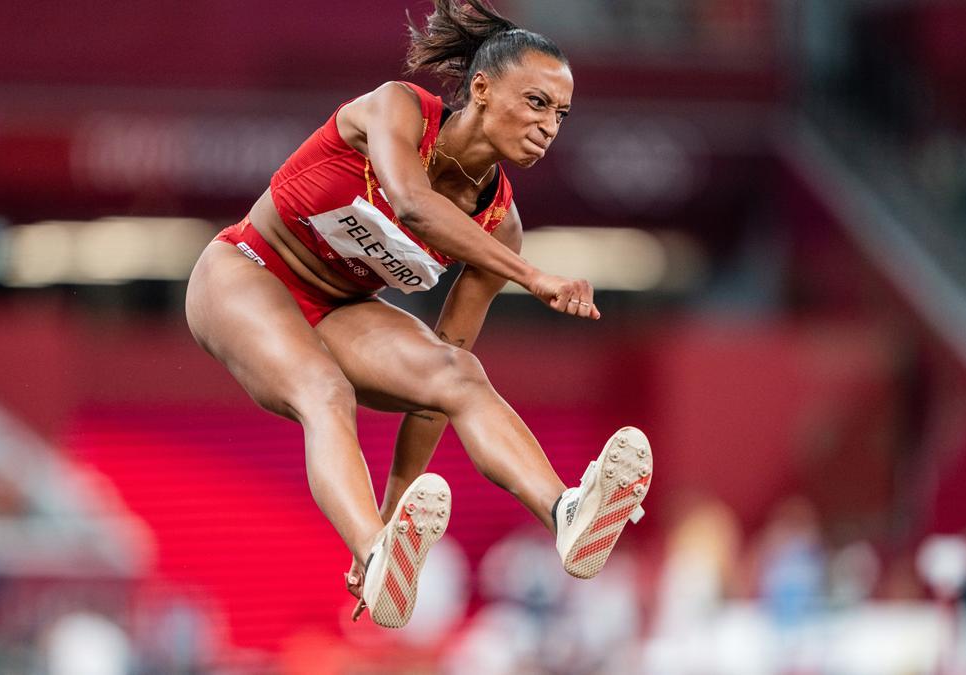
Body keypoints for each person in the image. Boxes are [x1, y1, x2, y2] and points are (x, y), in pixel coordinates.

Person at [185, 0, 653, 628]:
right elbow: (411, 204)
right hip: (248, 269)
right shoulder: (397, 109)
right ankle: (371, 549)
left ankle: (565, 514)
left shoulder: (500, 226)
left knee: (457, 374)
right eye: (537, 103)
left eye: (561, 115)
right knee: (324, 391)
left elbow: (432, 399)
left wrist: (396, 508)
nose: (550, 127)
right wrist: (533, 277)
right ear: (482, 89)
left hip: (341, 308)